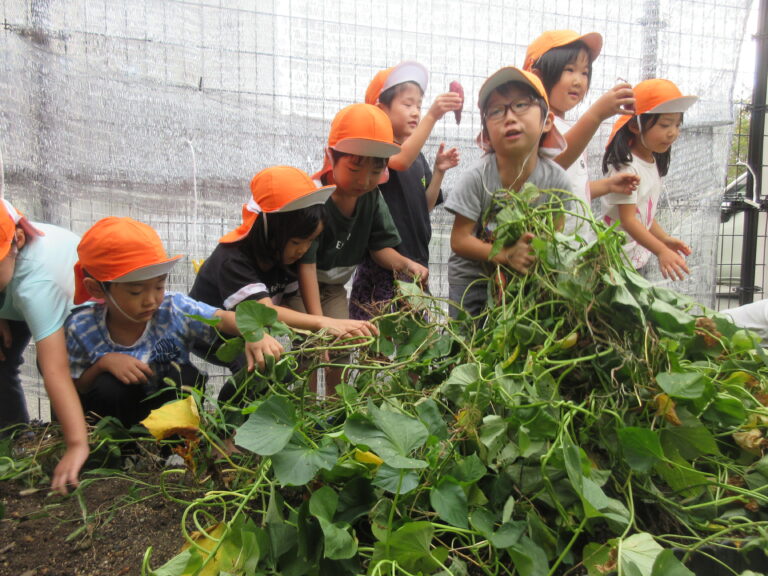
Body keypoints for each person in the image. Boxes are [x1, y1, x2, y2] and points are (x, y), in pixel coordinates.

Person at [65, 217, 284, 428]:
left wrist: (253, 332)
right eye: (136, 291)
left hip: (168, 417)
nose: (151, 300)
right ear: (96, 288)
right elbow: (76, 387)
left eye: (159, 286)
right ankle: (122, 456)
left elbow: (221, 318)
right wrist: (104, 363)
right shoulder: (82, 328)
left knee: (184, 375)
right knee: (107, 387)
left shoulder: (173, 308)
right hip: (115, 423)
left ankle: (175, 451)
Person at [189, 166, 378, 401]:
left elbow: (288, 306)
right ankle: (229, 429)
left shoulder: (284, 257)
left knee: (281, 373)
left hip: (246, 330)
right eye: (298, 241)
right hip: (209, 334)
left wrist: (320, 339)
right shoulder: (233, 258)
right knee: (258, 368)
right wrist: (324, 322)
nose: (304, 250)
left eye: (310, 241)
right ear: (271, 230)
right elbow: (263, 311)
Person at [288, 103, 429, 394]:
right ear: (332, 158)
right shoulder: (315, 199)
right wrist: (319, 323)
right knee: (311, 347)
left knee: (343, 342)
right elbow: (306, 267)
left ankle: (334, 407)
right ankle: (306, 409)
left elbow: (380, 248)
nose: (364, 179)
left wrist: (405, 264)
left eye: (375, 169)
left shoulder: (372, 198)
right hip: (300, 286)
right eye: (354, 167)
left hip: (334, 288)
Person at [445, 67, 573, 318]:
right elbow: (460, 240)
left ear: (547, 121)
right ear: (486, 133)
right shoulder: (477, 178)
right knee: (465, 347)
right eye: (496, 111)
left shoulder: (557, 180)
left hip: (523, 276)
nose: (509, 117)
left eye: (521, 105)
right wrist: (504, 255)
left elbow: (554, 237)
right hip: (474, 280)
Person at [349, 61, 461, 319]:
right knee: (378, 342)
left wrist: (439, 171)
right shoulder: (377, 152)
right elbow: (398, 161)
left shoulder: (416, 157)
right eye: (407, 104)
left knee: (415, 343)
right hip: (383, 267)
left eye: (419, 106)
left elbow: (426, 205)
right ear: (380, 109)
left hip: (416, 263)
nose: (416, 112)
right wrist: (433, 115)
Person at [0, 199, 89, 494]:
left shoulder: (36, 286)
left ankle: (68, 441)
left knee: (55, 364)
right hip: (12, 291)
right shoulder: (8, 261)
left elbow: (56, 369)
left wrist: (77, 444)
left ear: (18, 240)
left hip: (71, 302)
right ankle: (12, 436)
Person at [523, 29, 639, 235]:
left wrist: (608, 185)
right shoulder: (534, 122)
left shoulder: (567, 127)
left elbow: (572, 188)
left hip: (570, 246)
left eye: (584, 72)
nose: (579, 80)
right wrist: (595, 116)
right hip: (545, 244)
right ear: (537, 76)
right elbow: (550, 168)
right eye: (569, 70)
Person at [601, 78, 697, 279]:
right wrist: (660, 250)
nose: (672, 133)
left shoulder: (651, 161)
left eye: (677, 125)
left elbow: (642, 213)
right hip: (614, 262)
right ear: (635, 126)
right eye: (664, 125)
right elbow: (628, 220)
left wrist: (664, 239)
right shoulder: (627, 167)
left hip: (633, 260)